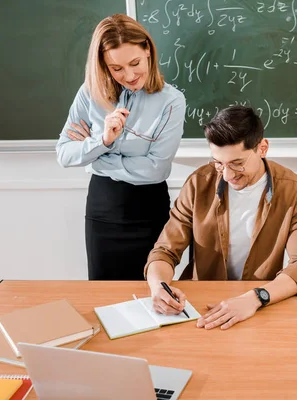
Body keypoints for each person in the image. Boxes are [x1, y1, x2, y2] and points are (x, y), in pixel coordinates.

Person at [144, 106, 297, 330]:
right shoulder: (198, 184)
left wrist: (255, 298)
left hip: (261, 306)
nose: (227, 175)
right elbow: (165, 251)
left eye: (237, 163)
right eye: (219, 163)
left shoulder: (293, 190)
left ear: (262, 148)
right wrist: (158, 287)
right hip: (202, 306)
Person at [56, 14, 186, 281]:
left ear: (148, 50)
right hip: (103, 210)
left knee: (152, 295)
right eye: (116, 68)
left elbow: (155, 169)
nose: (128, 75)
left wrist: (95, 157)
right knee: (103, 296)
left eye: (135, 63)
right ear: (103, 65)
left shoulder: (172, 101)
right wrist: (102, 140)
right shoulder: (89, 94)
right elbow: (64, 155)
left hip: (149, 211)